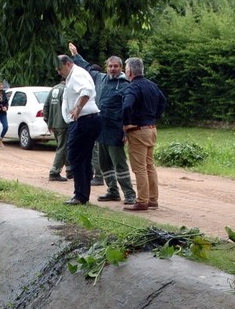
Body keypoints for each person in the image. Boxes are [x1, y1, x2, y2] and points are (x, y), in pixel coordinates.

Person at [69, 43, 137, 205]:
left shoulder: (126, 85)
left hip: (116, 131)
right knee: (104, 164)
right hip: (99, 129)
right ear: (106, 67)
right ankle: (112, 191)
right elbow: (86, 67)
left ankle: (129, 194)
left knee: (119, 164)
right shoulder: (100, 79)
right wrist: (75, 55)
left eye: (116, 66)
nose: (112, 69)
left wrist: (126, 130)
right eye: (110, 66)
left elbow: (129, 109)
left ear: (121, 68)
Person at [122, 58, 166, 212]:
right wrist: (154, 117)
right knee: (149, 165)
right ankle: (153, 200)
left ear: (129, 71)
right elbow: (163, 101)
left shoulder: (132, 87)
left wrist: (126, 123)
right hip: (151, 129)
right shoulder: (152, 85)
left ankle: (142, 201)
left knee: (139, 167)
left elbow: (127, 106)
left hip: (138, 130)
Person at [57, 54, 102, 205]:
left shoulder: (76, 74)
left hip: (84, 119)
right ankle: (82, 194)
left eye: (60, 68)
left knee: (75, 156)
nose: (59, 72)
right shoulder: (74, 75)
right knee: (83, 157)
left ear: (68, 64)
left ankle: (80, 195)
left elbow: (87, 90)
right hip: (86, 119)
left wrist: (78, 108)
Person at [43, 76, 72, 182]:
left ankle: (70, 170)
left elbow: (46, 107)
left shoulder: (54, 88)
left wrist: (48, 122)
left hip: (54, 124)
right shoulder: (67, 89)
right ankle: (54, 172)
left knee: (65, 147)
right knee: (63, 148)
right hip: (64, 123)